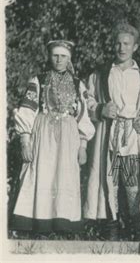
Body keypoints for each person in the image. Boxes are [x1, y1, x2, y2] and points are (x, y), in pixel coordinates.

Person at [83, 22, 140, 240]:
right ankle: (111, 231)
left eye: (126, 43)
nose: (121, 48)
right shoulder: (100, 74)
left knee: (133, 183)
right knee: (109, 182)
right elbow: (86, 100)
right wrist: (100, 109)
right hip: (110, 134)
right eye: (117, 43)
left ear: (135, 47)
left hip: (133, 137)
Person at [11, 40, 95, 236]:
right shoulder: (38, 80)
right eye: (55, 55)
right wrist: (25, 140)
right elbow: (27, 110)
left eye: (63, 56)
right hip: (44, 134)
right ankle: (40, 224)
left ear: (69, 58)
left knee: (65, 176)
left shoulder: (77, 84)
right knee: (44, 173)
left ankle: (63, 224)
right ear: (49, 56)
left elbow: (83, 115)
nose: (59, 60)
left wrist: (83, 145)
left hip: (68, 136)